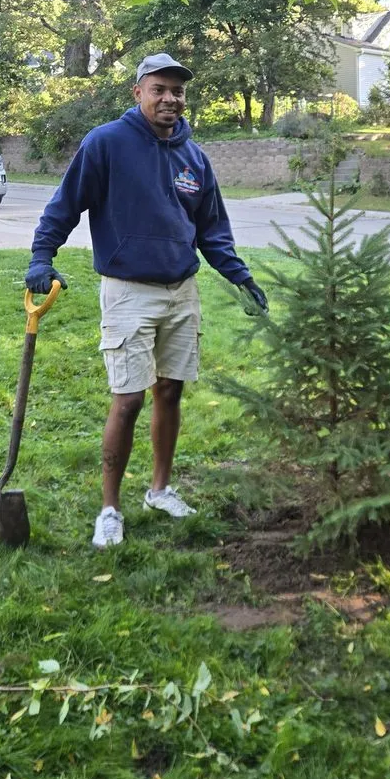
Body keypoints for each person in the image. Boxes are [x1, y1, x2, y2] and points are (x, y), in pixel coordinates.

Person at [25, 53, 268, 549]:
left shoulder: (194, 158)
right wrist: (40, 256)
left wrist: (239, 275)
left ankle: (160, 489)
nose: (170, 99)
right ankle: (109, 508)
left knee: (171, 392)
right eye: (159, 89)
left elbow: (211, 231)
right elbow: (64, 206)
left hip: (182, 291)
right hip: (128, 291)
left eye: (177, 91)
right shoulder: (106, 143)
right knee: (129, 398)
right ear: (137, 92)